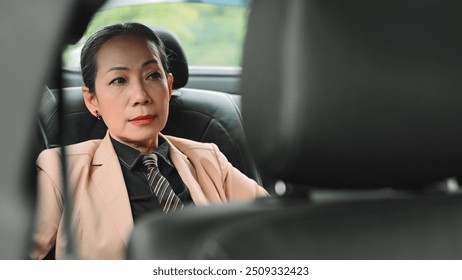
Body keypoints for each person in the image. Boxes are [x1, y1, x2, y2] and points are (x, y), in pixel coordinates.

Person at [31, 22, 268, 260]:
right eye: (119, 81)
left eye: (153, 76)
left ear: (169, 86)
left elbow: (272, 227)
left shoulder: (209, 159)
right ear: (92, 100)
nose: (141, 97)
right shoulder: (59, 169)